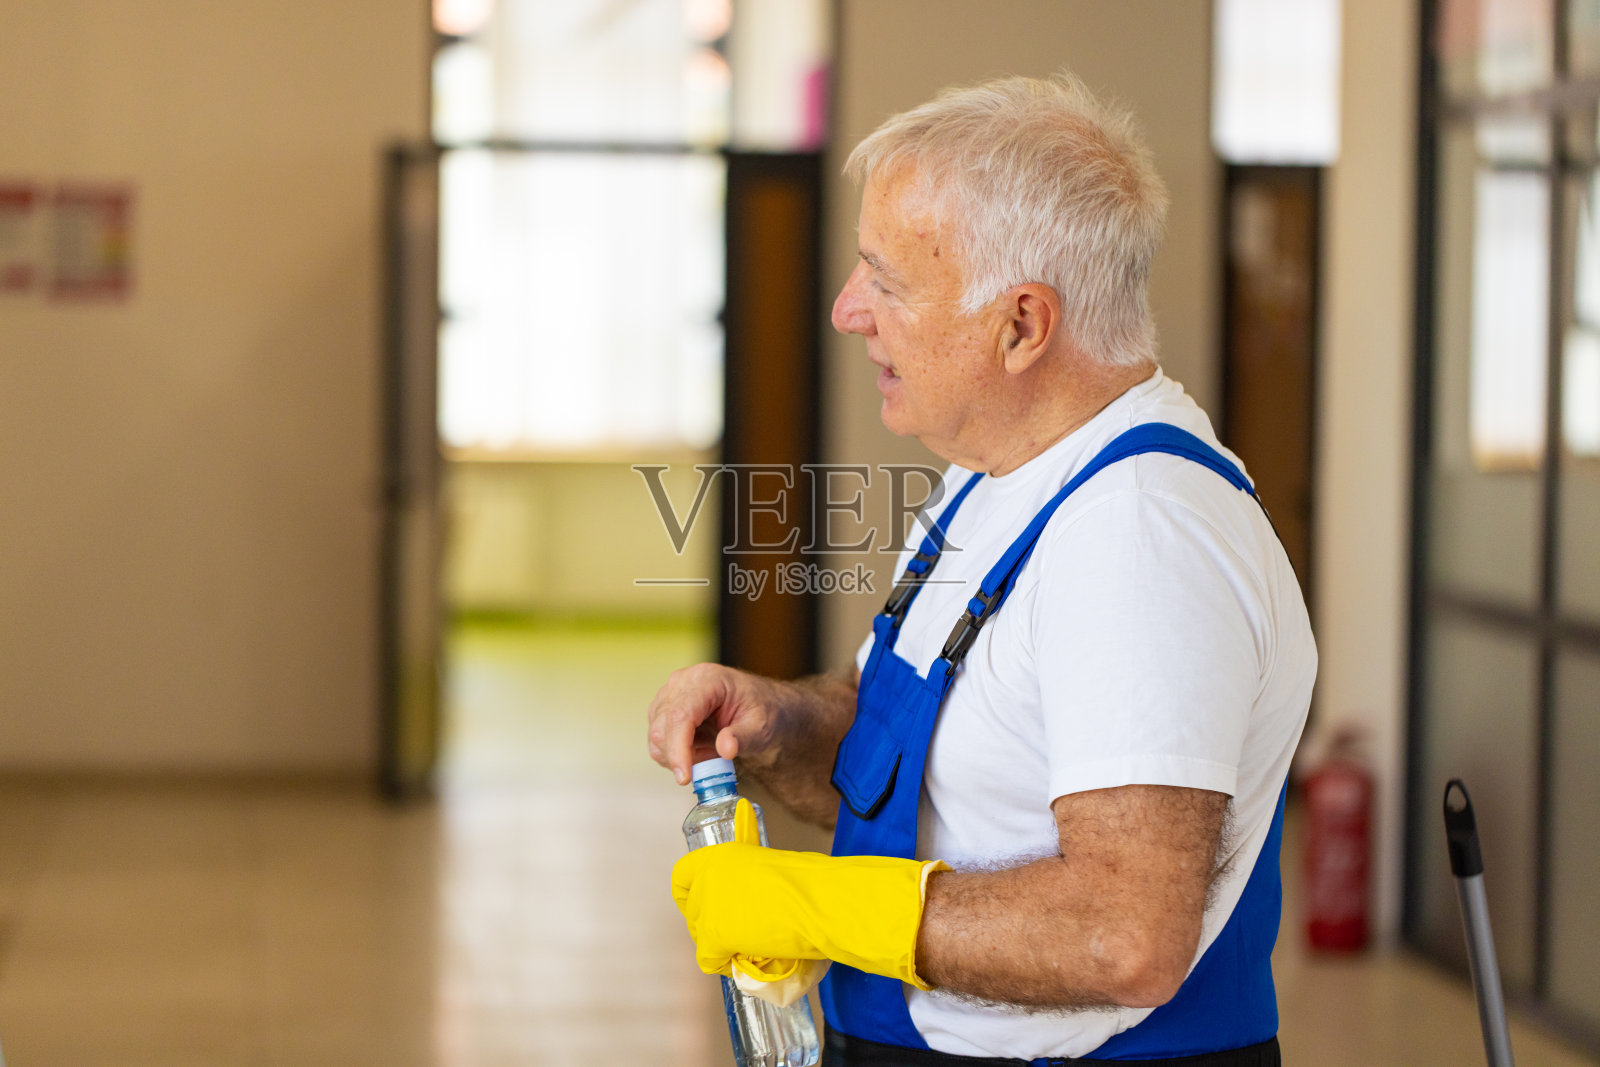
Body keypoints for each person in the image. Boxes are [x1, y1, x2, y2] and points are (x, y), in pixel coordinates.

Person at [649, 71, 1314, 1067]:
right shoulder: (993, 479)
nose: (845, 310)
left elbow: (1122, 935)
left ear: (1021, 325)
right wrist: (779, 722)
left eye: (886, 279)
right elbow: (946, 778)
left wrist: (818, 905)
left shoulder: (1137, 537)